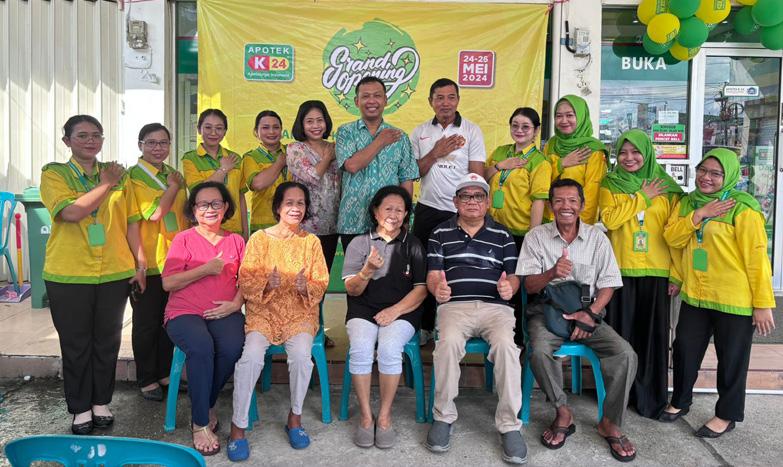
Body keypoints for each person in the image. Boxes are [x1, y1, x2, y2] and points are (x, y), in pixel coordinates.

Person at [517, 178, 638, 463]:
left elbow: (609, 284)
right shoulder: (536, 237)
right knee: (539, 350)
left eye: (572, 201)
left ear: (582, 205)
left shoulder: (597, 238)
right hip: (547, 312)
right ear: (550, 206)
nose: (566, 206)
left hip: (588, 312)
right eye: (559, 201)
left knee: (625, 354)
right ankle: (562, 412)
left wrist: (590, 314)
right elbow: (529, 287)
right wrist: (552, 273)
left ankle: (611, 422)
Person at [659, 148, 776, 438]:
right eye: (702, 170)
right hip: (696, 294)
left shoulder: (742, 208)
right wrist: (699, 214)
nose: (706, 178)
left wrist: (762, 303)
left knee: (732, 358)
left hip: (734, 298)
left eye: (715, 173)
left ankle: (726, 414)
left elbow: (757, 258)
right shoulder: (688, 203)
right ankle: (681, 400)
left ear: (730, 176)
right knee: (684, 349)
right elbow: (673, 238)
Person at [41, 115, 145, 435]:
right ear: (67, 141)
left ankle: (101, 402)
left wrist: (140, 264)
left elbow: (131, 222)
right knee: (76, 343)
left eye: (96, 135)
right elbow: (71, 212)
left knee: (107, 341)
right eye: (82, 135)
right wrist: (106, 183)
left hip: (114, 270)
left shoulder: (118, 175)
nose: (90, 141)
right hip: (69, 273)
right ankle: (80, 408)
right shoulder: (54, 173)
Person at [424, 173, 527, 465]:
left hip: (496, 309)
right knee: (447, 345)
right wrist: (437, 288)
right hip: (454, 307)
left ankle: (509, 425)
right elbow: (433, 274)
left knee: (507, 348)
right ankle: (443, 417)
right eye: (466, 196)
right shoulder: (439, 233)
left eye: (478, 196)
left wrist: (510, 287)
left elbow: (514, 276)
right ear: (455, 202)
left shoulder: (503, 235)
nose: (472, 201)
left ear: (487, 202)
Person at [228, 182, 329, 461]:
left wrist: (305, 287)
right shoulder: (259, 239)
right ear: (278, 207)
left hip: (299, 314)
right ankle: (238, 427)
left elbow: (321, 281)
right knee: (250, 358)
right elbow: (245, 279)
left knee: (301, 357)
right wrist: (267, 284)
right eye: (289, 203)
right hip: (263, 313)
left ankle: (295, 418)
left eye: (301, 203)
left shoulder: (311, 242)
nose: (295, 208)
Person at [598, 129, 683, 419]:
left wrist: (676, 274)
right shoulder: (610, 183)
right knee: (621, 337)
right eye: (623, 152)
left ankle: (650, 399)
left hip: (657, 271)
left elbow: (675, 234)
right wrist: (642, 197)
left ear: (647, 153)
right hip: (620, 270)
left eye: (636, 152)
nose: (629, 158)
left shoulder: (667, 187)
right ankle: (619, 398)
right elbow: (610, 219)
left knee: (653, 338)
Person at [162, 181, 246, 456]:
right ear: (194, 209)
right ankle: (200, 422)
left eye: (216, 203)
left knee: (232, 347)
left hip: (225, 310)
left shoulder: (236, 241)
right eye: (203, 204)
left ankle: (206, 401)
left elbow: (248, 280)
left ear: (226, 207)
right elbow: (168, 283)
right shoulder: (183, 239)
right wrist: (205, 269)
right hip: (184, 312)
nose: (210, 209)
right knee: (201, 347)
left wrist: (235, 304)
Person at [342, 186, 427, 449]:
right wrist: (367, 270)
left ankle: (385, 417)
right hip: (363, 310)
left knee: (390, 348)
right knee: (360, 348)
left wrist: (395, 311)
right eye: (388, 208)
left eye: (400, 210)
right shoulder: (359, 243)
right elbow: (352, 290)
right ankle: (366, 417)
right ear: (375, 211)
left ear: (406, 215)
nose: (393, 214)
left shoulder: (413, 244)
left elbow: (421, 290)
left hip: (402, 312)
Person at [409, 78, 486, 346]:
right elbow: (413, 172)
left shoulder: (472, 130)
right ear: (430, 101)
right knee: (423, 270)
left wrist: (468, 207)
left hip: (459, 213)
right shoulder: (420, 132)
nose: (445, 103)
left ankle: (456, 327)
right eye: (439, 97)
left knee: (458, 269)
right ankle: (424, 326)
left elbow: (477, 176)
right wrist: (436, 152)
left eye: (451, 97)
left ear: (458, 100)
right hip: (427, 210)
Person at [128, 123, 188, 401]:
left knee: (168, 320)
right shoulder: (135, 177)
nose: (158, 148)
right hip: (148, 260)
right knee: (146, 323)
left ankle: (164, 372)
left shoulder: (171, 173)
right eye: (151, 143)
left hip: (173, 260)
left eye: (163, 143)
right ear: (140, 145)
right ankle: (146, 378)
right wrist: (174, 187)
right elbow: (154, 214)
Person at [485, 107, 551, 346]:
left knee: (520, 289)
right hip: (494, 231)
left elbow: (539, 200)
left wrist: (533, 238)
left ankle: (519, 340)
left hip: (521, 235)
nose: (519, 130)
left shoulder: (539, 162)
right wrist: (501, 165)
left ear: (536, 131)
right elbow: (482, 177)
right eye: (515, 125)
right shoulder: (500, 152)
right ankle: (495, 334)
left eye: (526, 127)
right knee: (497, 283)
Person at [335, 76, 419, 251]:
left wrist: (404, 218)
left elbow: (406, 179)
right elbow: (351, 166)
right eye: (365, 96)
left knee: (388, 268)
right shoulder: (345, 132)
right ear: (356, 101)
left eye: (377, 95)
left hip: (390, 223)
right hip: (353, 220)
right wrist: (380, 141)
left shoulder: (400, 137)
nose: (371, 101)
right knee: (355, 269)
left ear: (386, 100)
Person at [287, 100, 341, 272]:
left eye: (320, 120)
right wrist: (327, 158)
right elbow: (313, 176)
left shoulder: (336, 147)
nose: (316, 126)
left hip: (332, 225)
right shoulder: (295, 149)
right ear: (301, 125)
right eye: (309, 121)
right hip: (304, 225)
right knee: (301, 278)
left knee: (322, 278)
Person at [182, 108, 248, 237]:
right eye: (208, 127)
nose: (213, 133)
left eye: (219, 128)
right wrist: (223, 169)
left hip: (234, 228)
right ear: (199, 129)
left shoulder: (235, 158)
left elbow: (240, 197)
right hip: (205, 229)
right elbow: (197, 191)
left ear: (225, 131)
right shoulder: (190, 159)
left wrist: (245, 231)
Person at [544, 95, 607, 224]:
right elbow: (541, 179)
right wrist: (561, 164)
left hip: (575, 222)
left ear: (581, 116)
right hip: (548, 218)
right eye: (559, 116)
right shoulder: (551, 145)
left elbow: (592, 195)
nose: (564, 120)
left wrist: (578, 226)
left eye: (570, 115)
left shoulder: (593, 149)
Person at [241, 110, 289, 233]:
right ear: (256, 132)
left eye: (276, 127)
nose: (271, 132)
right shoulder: (251, 157)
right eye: (265, 128)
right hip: (263, 226)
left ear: (281, 130)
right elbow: (258, 184)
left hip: (291, 222)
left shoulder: (293, 151)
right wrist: (279, 163)